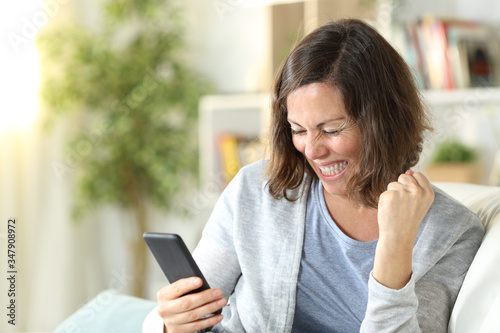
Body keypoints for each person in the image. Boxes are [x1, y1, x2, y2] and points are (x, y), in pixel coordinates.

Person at [143, 18, 484, 333]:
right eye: (298, 129)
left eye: (332, 129)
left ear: (385, 122)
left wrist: (395, 247)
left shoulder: (449, 232)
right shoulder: (255, 188)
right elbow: (171, 315)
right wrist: (167, 322)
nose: (312, 149)